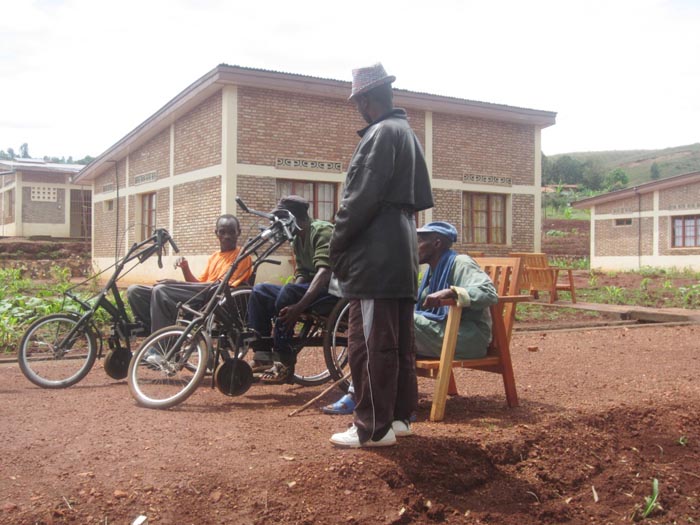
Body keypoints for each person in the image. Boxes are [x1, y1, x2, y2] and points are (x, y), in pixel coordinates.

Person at [328, 63, 433, 448]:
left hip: (376, 256)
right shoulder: (407, 134)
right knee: (398, 342)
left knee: (369, 344)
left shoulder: (379, 134)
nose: (358, 109)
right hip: (402, 252)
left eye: (358, 102)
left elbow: (357, 201)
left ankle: (372, 428)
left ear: (368, 100)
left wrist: (335, 246)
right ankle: (400, 418)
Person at [322, 222, 499, 415]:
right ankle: (395, 403)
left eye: (420, 241)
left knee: (389, 324)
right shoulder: (431, 270)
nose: (414, 247)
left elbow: (488, 292)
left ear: (437, 243)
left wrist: (450, 292)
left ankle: (369, 398)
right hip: (443, 332)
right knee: (388, 325)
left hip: (466, 337)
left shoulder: (461, 262)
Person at [246, 195, 335, 384]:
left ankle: (283, 360)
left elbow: (324, 273)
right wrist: (294, 289)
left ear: (293, 217)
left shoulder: (322, 231)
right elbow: (302, 271)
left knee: (288, 292)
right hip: (309, 288)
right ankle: (262, 354)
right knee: (260, 291)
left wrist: (298, 307)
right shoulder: (296, 237)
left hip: (331, 291)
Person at [127, 214, 253, 336]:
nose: (227, 236)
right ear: (216, 233)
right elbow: (199, 283)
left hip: (215, 297)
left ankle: (161, 345)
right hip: (202, 292)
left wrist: (177, 284)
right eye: (222, 232)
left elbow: (221, 286)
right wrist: (185, 268)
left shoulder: (242, 256)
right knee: (135, 291)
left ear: (239, 232)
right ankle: (155, 335)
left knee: (162, 290)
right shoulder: (215, 256)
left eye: (231, 232)